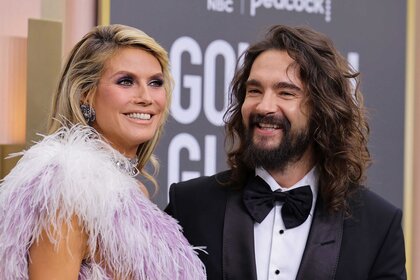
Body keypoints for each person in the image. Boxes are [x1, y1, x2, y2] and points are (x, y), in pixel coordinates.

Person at [165, 25, 406, 280]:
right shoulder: (190, 206)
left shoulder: (378, 225)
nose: (264, 106)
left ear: (323, 110)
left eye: (286, 92)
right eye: (255, 91)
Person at [0, 24, 206, 279]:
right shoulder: (69, 186)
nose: (146, 97)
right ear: (85, 93)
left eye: (155, 82)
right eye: (126, 81)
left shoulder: (130, 191)